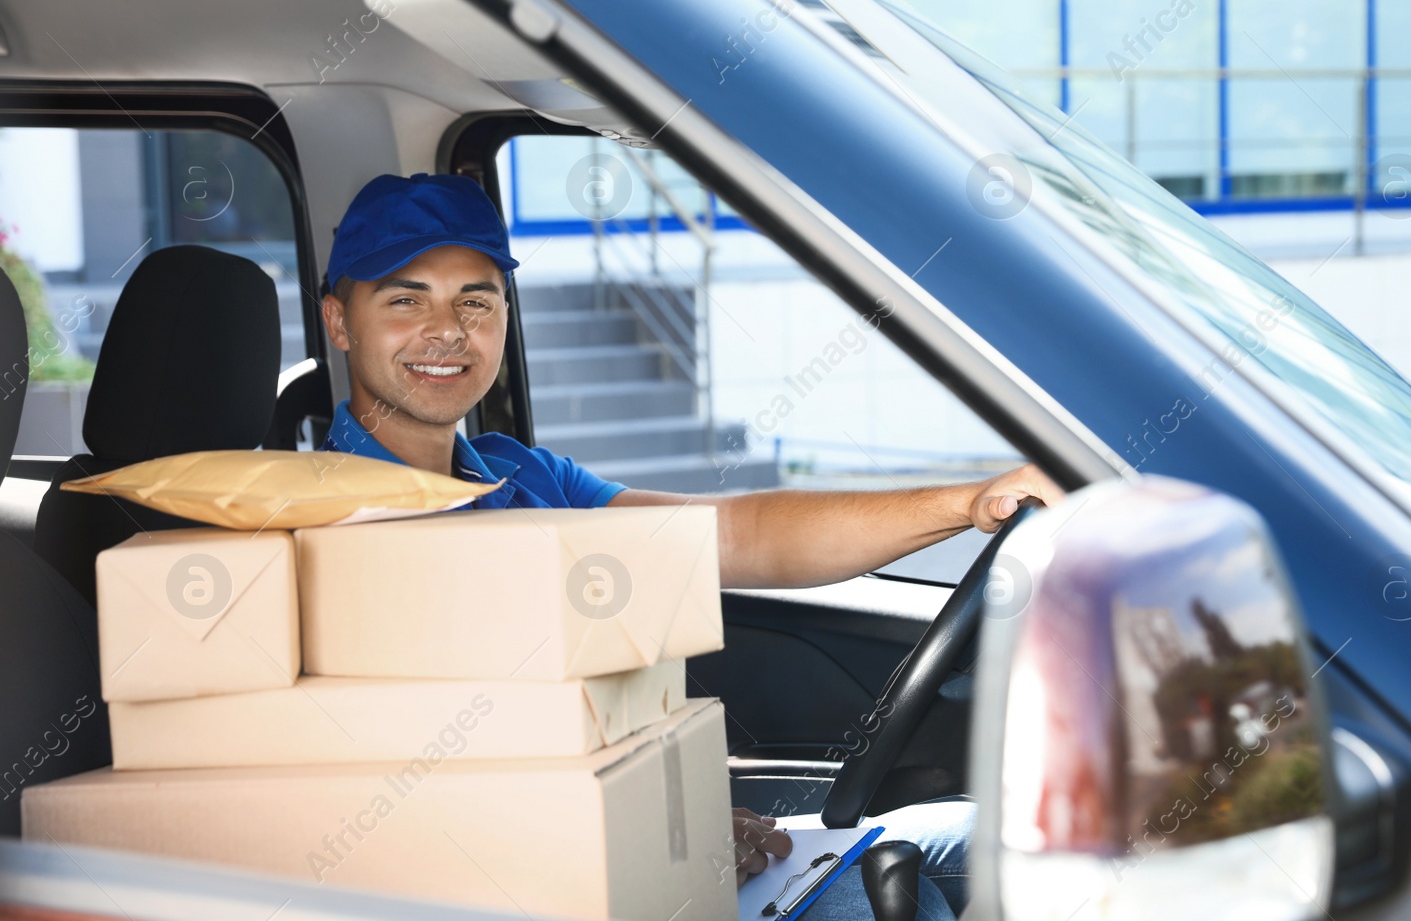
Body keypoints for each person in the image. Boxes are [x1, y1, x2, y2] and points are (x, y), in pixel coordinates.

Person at [316, 173, 1064, 919]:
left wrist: (967, 503)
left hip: (629, 857)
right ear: (340, 321)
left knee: (998, 841)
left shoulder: (525, 475)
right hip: (537, 891)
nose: (448, 330)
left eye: (475, 300)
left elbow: (735, 535)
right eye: (405, 299)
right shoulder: (310, 530)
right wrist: (652, 847)